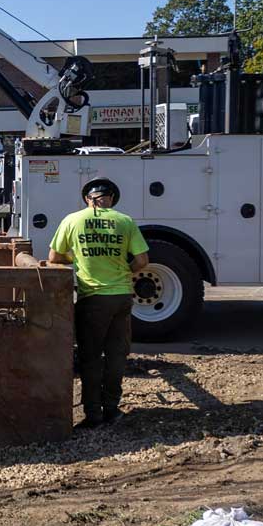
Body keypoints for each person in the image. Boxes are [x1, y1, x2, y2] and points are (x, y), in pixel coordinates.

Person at [49, 177, 150, 428]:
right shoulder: (124, 221)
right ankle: (112, 410)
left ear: (87, 199)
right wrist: (123, 270)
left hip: (92, 298)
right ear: (112, 199)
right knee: (117, 354)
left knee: (91, 357)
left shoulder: (72, 220)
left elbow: (54, 256)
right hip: (121, 296)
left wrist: (79, 259)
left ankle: (93, 415)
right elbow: (142, 261)